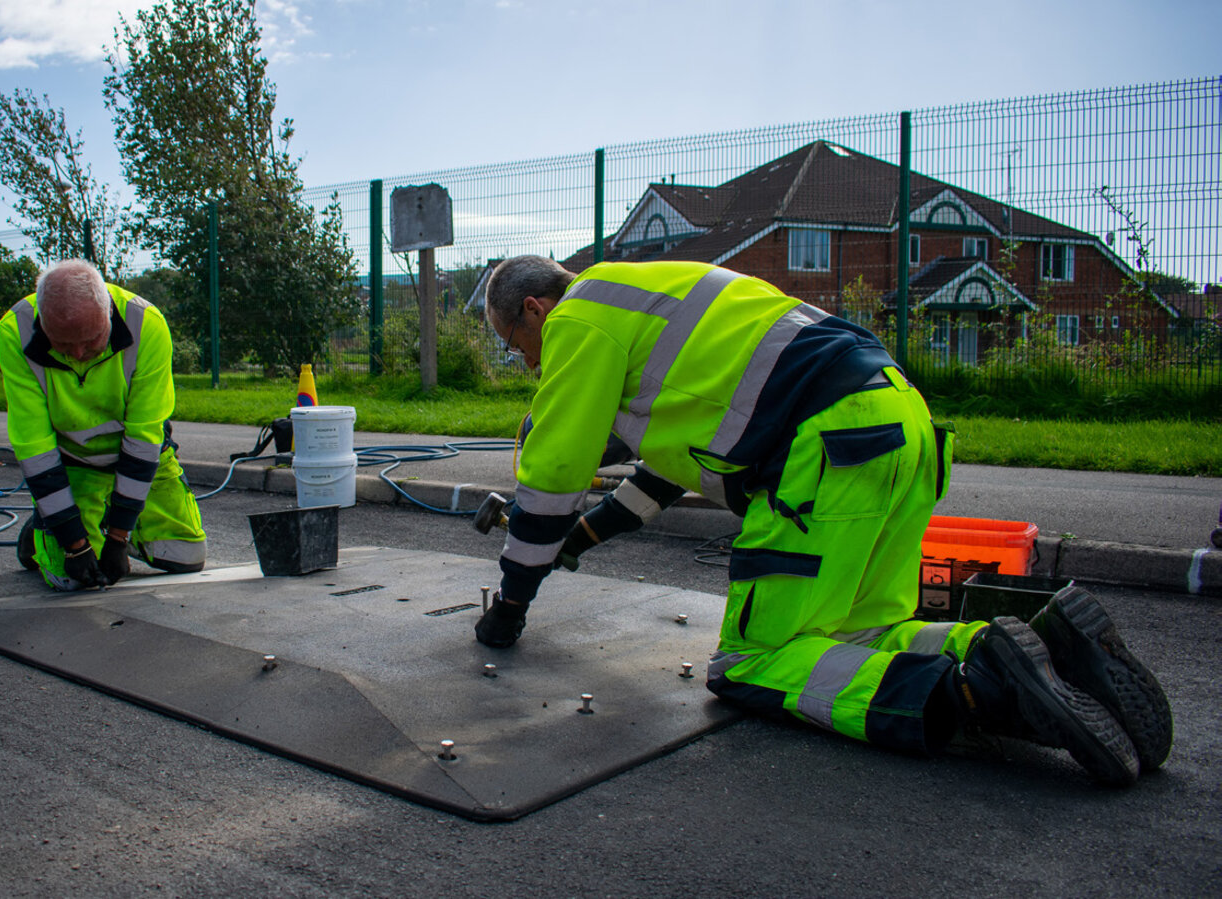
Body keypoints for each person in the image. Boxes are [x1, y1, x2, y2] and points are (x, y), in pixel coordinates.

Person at [478, 255, 1171, 785]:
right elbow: (668, 468)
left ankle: (977, 687)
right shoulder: (653, 293)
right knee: (861, 631)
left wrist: (509, 606)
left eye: (517, 346)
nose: (528, 362)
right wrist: (588, 535)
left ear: (536, 310)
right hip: (903, 426)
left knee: (755, 662)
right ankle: (1029, 647)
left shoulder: (577, 319)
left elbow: (553, 478)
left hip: (822, 447)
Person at [0, 259, 206, 591]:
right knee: (70, 578)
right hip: (73, 464)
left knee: (186, 556)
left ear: (108, 312)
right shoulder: (16, 331)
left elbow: (144, 438)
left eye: (92, 340)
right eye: (63, 345)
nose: (79, 353)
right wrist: (74, 544)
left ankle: (119, 522)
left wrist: (118, 539)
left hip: (135, 454)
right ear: (43, 324)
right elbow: (33, 446)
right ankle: (43, 531)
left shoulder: (145, 324)